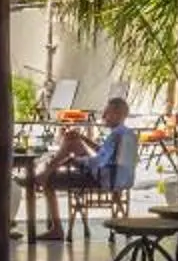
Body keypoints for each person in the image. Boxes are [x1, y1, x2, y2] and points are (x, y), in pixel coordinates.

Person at [30, 95, 137, 235]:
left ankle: (56, 228)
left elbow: (98, 162)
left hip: (105, 179)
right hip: (122, 179)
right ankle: (46, 171)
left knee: (50, 180)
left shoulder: (116, 135)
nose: (103, 116)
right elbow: (105, 155)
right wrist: (83, 139)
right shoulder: (127, 134)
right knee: (73, 140)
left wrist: (75, 160)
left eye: (107, 112)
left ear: (118, 114)